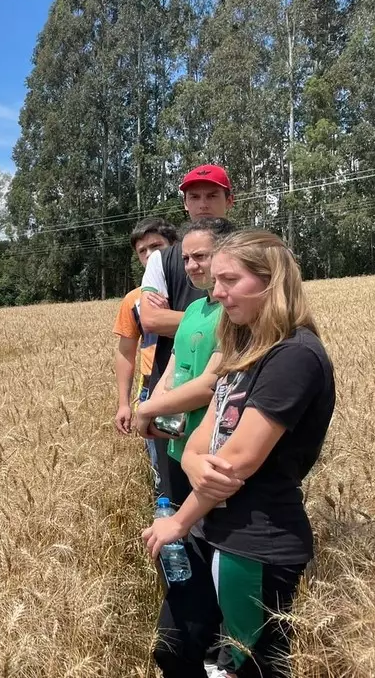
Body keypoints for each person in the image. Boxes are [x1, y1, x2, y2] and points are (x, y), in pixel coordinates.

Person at [142, 231, 335, 678]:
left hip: (255, 544)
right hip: (212, 529)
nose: (217, 292)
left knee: (249, 668)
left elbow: (233, 463)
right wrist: (192, 460)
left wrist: (177, 521)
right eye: (215, 280)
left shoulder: (294, 357)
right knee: (175, 648)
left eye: (230, 280)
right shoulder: (244, 349)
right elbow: (198, 443)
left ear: (271, 282)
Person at [140, 164, 234, 503]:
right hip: (176, 420)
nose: (203, 204)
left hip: (221, 429)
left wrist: (148, 408)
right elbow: (150, 320)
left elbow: (214, 382)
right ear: (184, 203)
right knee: (176, 499)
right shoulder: (165, 262)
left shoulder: (255, 257)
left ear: (230, 200)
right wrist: (153, 406)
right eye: (194, 197)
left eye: (212, 195)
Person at [112, 218, 177, 485]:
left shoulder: (193, 288)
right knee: (163, 470)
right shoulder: (133, 300)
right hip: (152, 390)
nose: (150, 255)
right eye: (143, 251)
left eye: (157, 246)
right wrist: (124, 403)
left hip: (194, 385)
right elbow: (126, 352)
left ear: (174, 248)